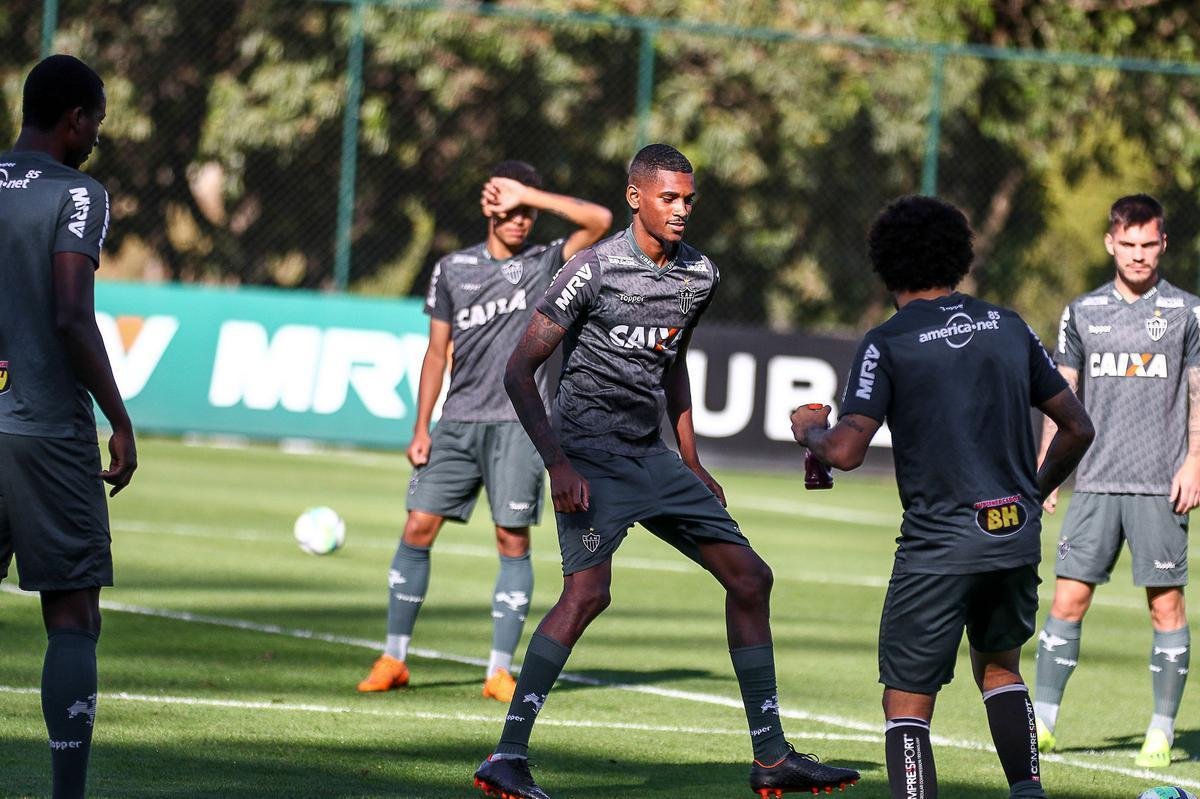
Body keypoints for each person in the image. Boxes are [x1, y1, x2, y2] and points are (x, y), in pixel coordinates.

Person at [472, 143, 861, 799]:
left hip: (653, 456)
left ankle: (771, 757)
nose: (681, 210)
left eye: (688, 199)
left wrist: (693, 460)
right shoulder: (591, 270)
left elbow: (672, 364)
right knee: (588, 594)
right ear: (636, 197)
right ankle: (506, 755)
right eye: (668, 198)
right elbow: (518, 370)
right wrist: (558, 464)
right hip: (588, 457)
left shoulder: (699, 275)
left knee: (750, 576)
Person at [791, 196, 1093, 799]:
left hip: (939, 546)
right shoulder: (1009, 326)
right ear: (958, 255)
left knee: (906, 700)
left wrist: (809, 431)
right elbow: (1078, 428)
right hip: (1013, 537)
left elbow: (846, 450)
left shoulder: (888, 340)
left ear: (886, 262)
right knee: (1000, 669)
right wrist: (1031, 495)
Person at [357, 161, 611, 702]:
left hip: (522, 426)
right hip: (456, 422)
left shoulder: (549, 262)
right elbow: (435, 351)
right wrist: (421, 426)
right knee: (417, 528)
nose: (521, 219)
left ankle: (498, 670)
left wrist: (534, 194)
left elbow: (599, 220)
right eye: (511, 209)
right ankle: (393, 657)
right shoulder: (452, 268)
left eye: (527, 211)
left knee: (510, 539)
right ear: (488, 207)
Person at [0, 55, 137, 799]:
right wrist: (117, 417)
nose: (94, 139)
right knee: (74, 614)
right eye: (96, 123)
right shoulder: (78, 193)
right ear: (75, 118)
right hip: (43, 423)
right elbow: (69, 312)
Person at [1032, 194, 1200, 768]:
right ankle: (1045, 725)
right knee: (1067, 599)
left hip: (1160, 484)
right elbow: (1063, 394)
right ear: (1110, 243)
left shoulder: (1186, 312)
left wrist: (1194, 461)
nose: (1137, 255)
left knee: (1166, 607)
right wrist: (1047, 472)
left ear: (1162, 244)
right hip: (1096, 483)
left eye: (1148, 244)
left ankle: (1160, 730)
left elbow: (1199, 392)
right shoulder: (1082, 311)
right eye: (1127, 244)